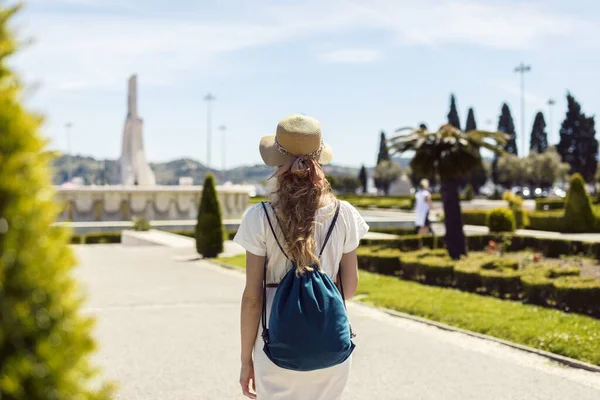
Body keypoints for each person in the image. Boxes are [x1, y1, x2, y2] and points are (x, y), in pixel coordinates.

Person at [234, 114, 369, 399]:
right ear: (318, 161)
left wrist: (246, 360)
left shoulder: (260, 217)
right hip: (331, 346)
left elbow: (253, 298)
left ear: (278, 164)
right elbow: (351, 287)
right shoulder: (344, 214)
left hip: (276, 346)